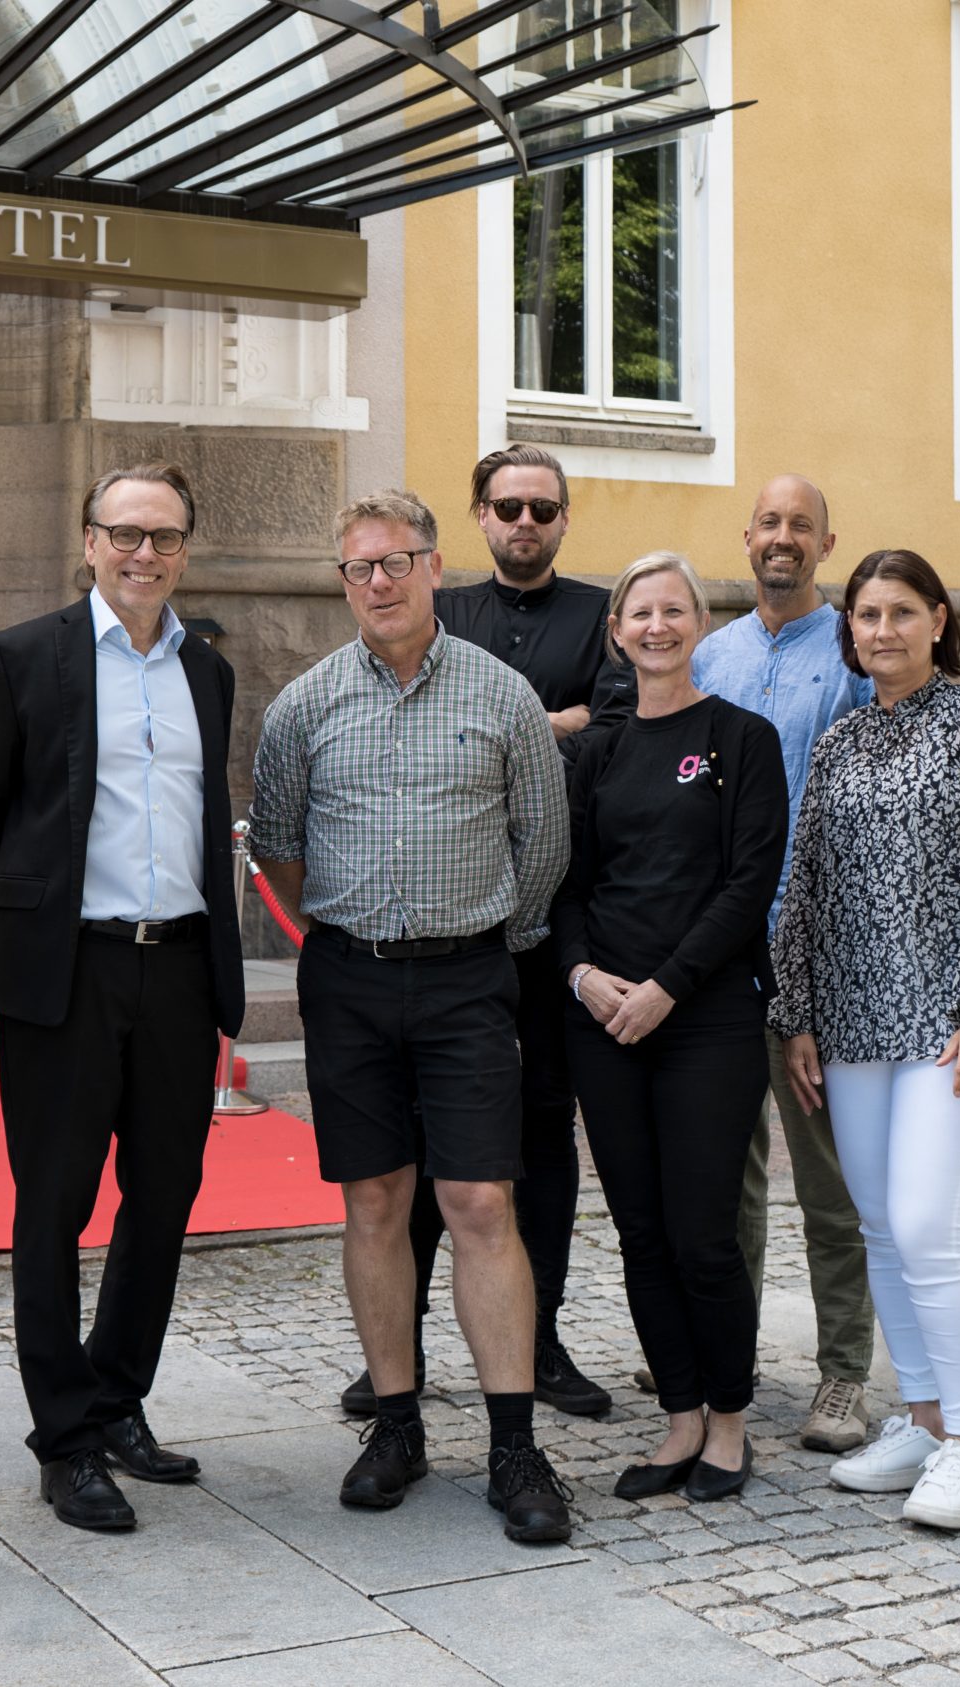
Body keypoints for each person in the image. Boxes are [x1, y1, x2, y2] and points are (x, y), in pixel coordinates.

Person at [250, 488, 575, 1543]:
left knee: (480, 1200)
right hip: (346, 980)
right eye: (358, 568)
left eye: (396, 561)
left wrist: (473, 937)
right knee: (374, 1200)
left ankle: (514, 1443)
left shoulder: (503, 696)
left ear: (435, 566)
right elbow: (281, 853)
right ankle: (394, 1425)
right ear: (341, 581)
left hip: (468, 978)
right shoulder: (301, 706)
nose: (378, 582)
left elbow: (543, 847)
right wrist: (349, 935)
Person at [0, 462, 245, 1533]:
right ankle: (64, 1439)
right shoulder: (22, 657)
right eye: (124, 534)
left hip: (175, 965)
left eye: (163, 537)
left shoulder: (206, 673)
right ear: (87, 541)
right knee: (54, 1207)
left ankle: (117, 1398)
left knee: (162, 1197)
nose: (143, 555)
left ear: (183, 549)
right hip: (66, 973)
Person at [335, 443, 626, 1422]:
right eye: (507, 507)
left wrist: (512, 725)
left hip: (541, 925)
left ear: (563, 518)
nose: (524, 523)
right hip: (435, 925)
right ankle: (397, 1353)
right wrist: (551, 719)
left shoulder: (598, 617)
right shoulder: (437, 609)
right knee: (407, 1149)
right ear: (477, 517)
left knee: (537, 1140)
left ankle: (538, 1344)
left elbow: (618, 728)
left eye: (543, 508)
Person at [770, 548, 960, 1532]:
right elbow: (802, 887)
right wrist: (795, 1015)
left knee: (930, 1227)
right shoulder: (842, 740)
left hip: (954, 1028)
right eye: (863, 613)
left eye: (898, 611)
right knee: (881, 1230)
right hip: (850, 1024)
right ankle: (925, 1422)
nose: (879, 629)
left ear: (936, 619)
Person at [554, 553, 786, 1504]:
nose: (656, 625)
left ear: (700, 622)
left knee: (702, 1233)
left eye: (674, 609)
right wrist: (581, 976)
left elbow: (747, 885)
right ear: (617, 632)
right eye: (639, 612)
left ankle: (729, 1421)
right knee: (641, 1231)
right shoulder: (596, 751)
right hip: (605, 1020)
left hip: (708, 1020)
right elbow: (563, 885)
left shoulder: (743, 738)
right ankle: (680, 1414)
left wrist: (667, 987)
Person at [681, 473, 882, 1457]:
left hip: (816, 957)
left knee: (827, 1181)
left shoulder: (849, 651)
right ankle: (728, 1352)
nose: (782, 538)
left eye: (800, 524)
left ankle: (843, 1373)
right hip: (721, 953)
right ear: (746, 534)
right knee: (725, 1177)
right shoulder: (709, 652)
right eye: (768, 522)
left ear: (824, 540)